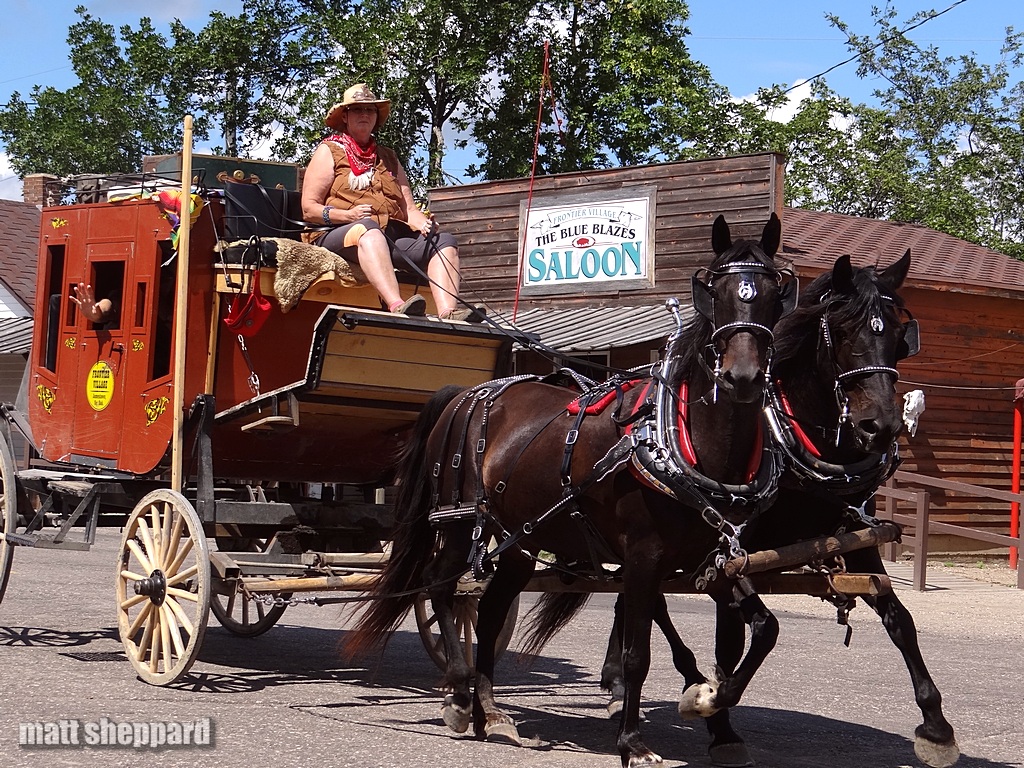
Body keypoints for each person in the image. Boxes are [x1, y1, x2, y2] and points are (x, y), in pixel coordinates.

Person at [300, 83, 482, 322]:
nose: (364, 114)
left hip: (388, 236)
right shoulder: (329, 150)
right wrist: (348, 216)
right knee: (368, 229)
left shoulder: (389, 157)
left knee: (444, 241)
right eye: (357, 109)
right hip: (338, 233)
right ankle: (396, 304)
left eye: (370, 110)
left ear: (376, 117)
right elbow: (309, 209)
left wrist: (425, 225)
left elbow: (409, 210)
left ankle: (449, 313)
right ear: (345, 116)